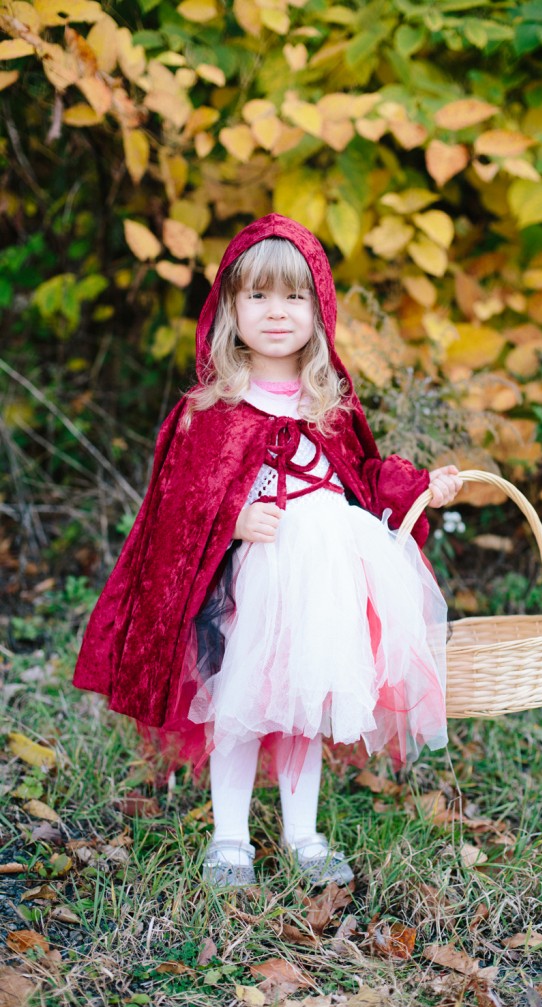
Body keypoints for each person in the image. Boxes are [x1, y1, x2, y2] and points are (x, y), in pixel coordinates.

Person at [73, 213, 462, 889]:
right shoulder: (210, 409)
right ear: (230, 307)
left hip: (322, 583)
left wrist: (424, 485)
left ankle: (302, 834)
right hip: (247, 584)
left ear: (319, 309)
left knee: (304, 707)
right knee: (239, 707)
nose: (276, 312)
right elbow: (178, 508)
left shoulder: (329, 404)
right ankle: (229, 839)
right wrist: (232, 517)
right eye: (257, 296)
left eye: (294, 296)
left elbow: (367, 479)